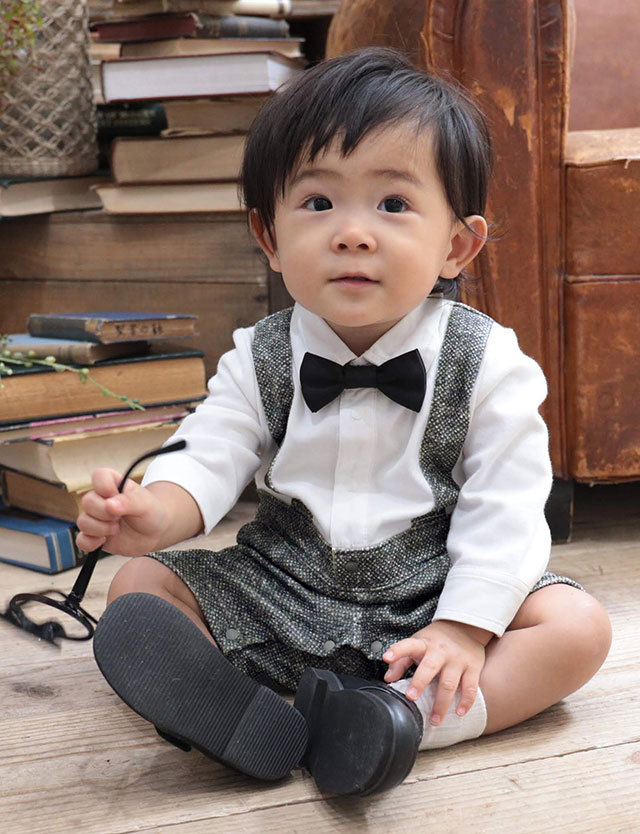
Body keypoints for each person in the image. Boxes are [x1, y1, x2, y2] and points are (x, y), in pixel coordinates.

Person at [76, 47, 612, 797]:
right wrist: (154, 511)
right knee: (138, 585)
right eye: (319, 203)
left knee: (578, 627)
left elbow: (508, 502)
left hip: (432, 588)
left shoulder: (488, 360)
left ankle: (399, 720)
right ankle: (246, 716)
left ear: (456, 245)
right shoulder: (259, 355)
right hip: (284, 581)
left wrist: (465, 626)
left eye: (392, 204)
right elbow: (210, 450)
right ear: (269, 237)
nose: (352, 233)